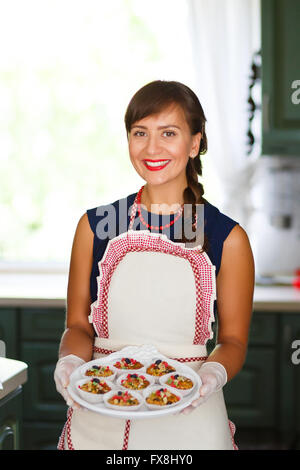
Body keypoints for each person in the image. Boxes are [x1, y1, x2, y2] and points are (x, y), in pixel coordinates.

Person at [54, 80, 255, 450]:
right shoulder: (95, 226)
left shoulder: (228, 238)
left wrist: (212, 373)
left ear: (194, 143)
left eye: (169, 133)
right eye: (140, 133)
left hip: (189, 421)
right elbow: (79, 326)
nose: (152, 148)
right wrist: (68, 361)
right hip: (98, 420)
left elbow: (233, 341)